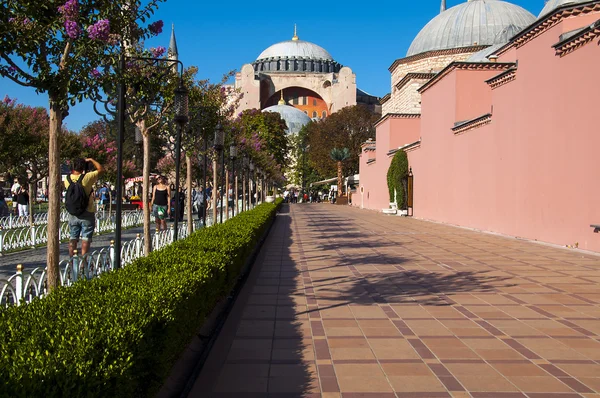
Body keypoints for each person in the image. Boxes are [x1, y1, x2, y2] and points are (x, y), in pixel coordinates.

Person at [64, 157, 104, 257]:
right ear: (83, 168)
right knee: (86, 238)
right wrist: (91, 160)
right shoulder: (87, 177)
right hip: (87, 211)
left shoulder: (67, 179)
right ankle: (83, 261)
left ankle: (71, 260)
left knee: (73, 237)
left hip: (73, 213)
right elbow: (101, 169)